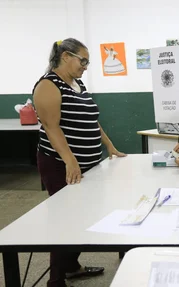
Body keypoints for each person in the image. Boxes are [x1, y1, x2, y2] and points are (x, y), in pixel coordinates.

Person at [33, 38, 126, 287]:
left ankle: (72, 266)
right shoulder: (48, 85)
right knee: (64, 219)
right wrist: (70, 160)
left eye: (87, 62)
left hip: (88, 163)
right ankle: (55, 280)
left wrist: (109, 146)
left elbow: (91, 120)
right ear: (65, 56)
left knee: (83, 217)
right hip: (59, 164)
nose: (85, 66)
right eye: (82, 60)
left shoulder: (79, 84)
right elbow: (52, 128)